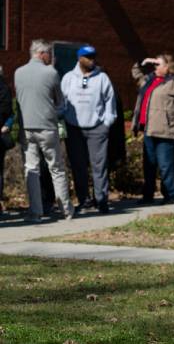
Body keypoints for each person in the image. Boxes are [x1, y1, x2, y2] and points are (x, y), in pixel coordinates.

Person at [14, 39, 75, 222]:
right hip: (47, 126)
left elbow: (19, 99)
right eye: (49, 53)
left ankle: (36, 211)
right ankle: (66, 209)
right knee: (56, 168)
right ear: (42, 54)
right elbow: (59, 101)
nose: (51, 57)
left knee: (31, 169)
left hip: (27, 127)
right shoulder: (51, 73)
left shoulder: (18, 72)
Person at [131, 54, 174, 204]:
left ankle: (171, 196)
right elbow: (136, 74)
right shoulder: (150, 80)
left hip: (167, 130)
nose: (155, 67)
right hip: (149, 129)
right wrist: (143, 62)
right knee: (149, 165)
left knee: (165, 165)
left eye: (158, 64)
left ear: (167, 66)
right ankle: (148, 196)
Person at [61, 45, 117, 214]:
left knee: (99, 167)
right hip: (74, 129)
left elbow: (110, 101)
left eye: (93, 56)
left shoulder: (102, 78)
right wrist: (63, 119)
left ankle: (101, 200)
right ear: (79, 58)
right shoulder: (69, 78)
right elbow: (62, 102)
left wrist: (107, 123)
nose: (92, 59)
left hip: (97, 129)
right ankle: (84, 200)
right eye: (88, 57)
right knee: (78, 167)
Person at [0, 70, 14, 214]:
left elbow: (9, 113)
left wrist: (7, 125)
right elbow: (10, 112)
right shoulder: (5, 89)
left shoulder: (4, 89)